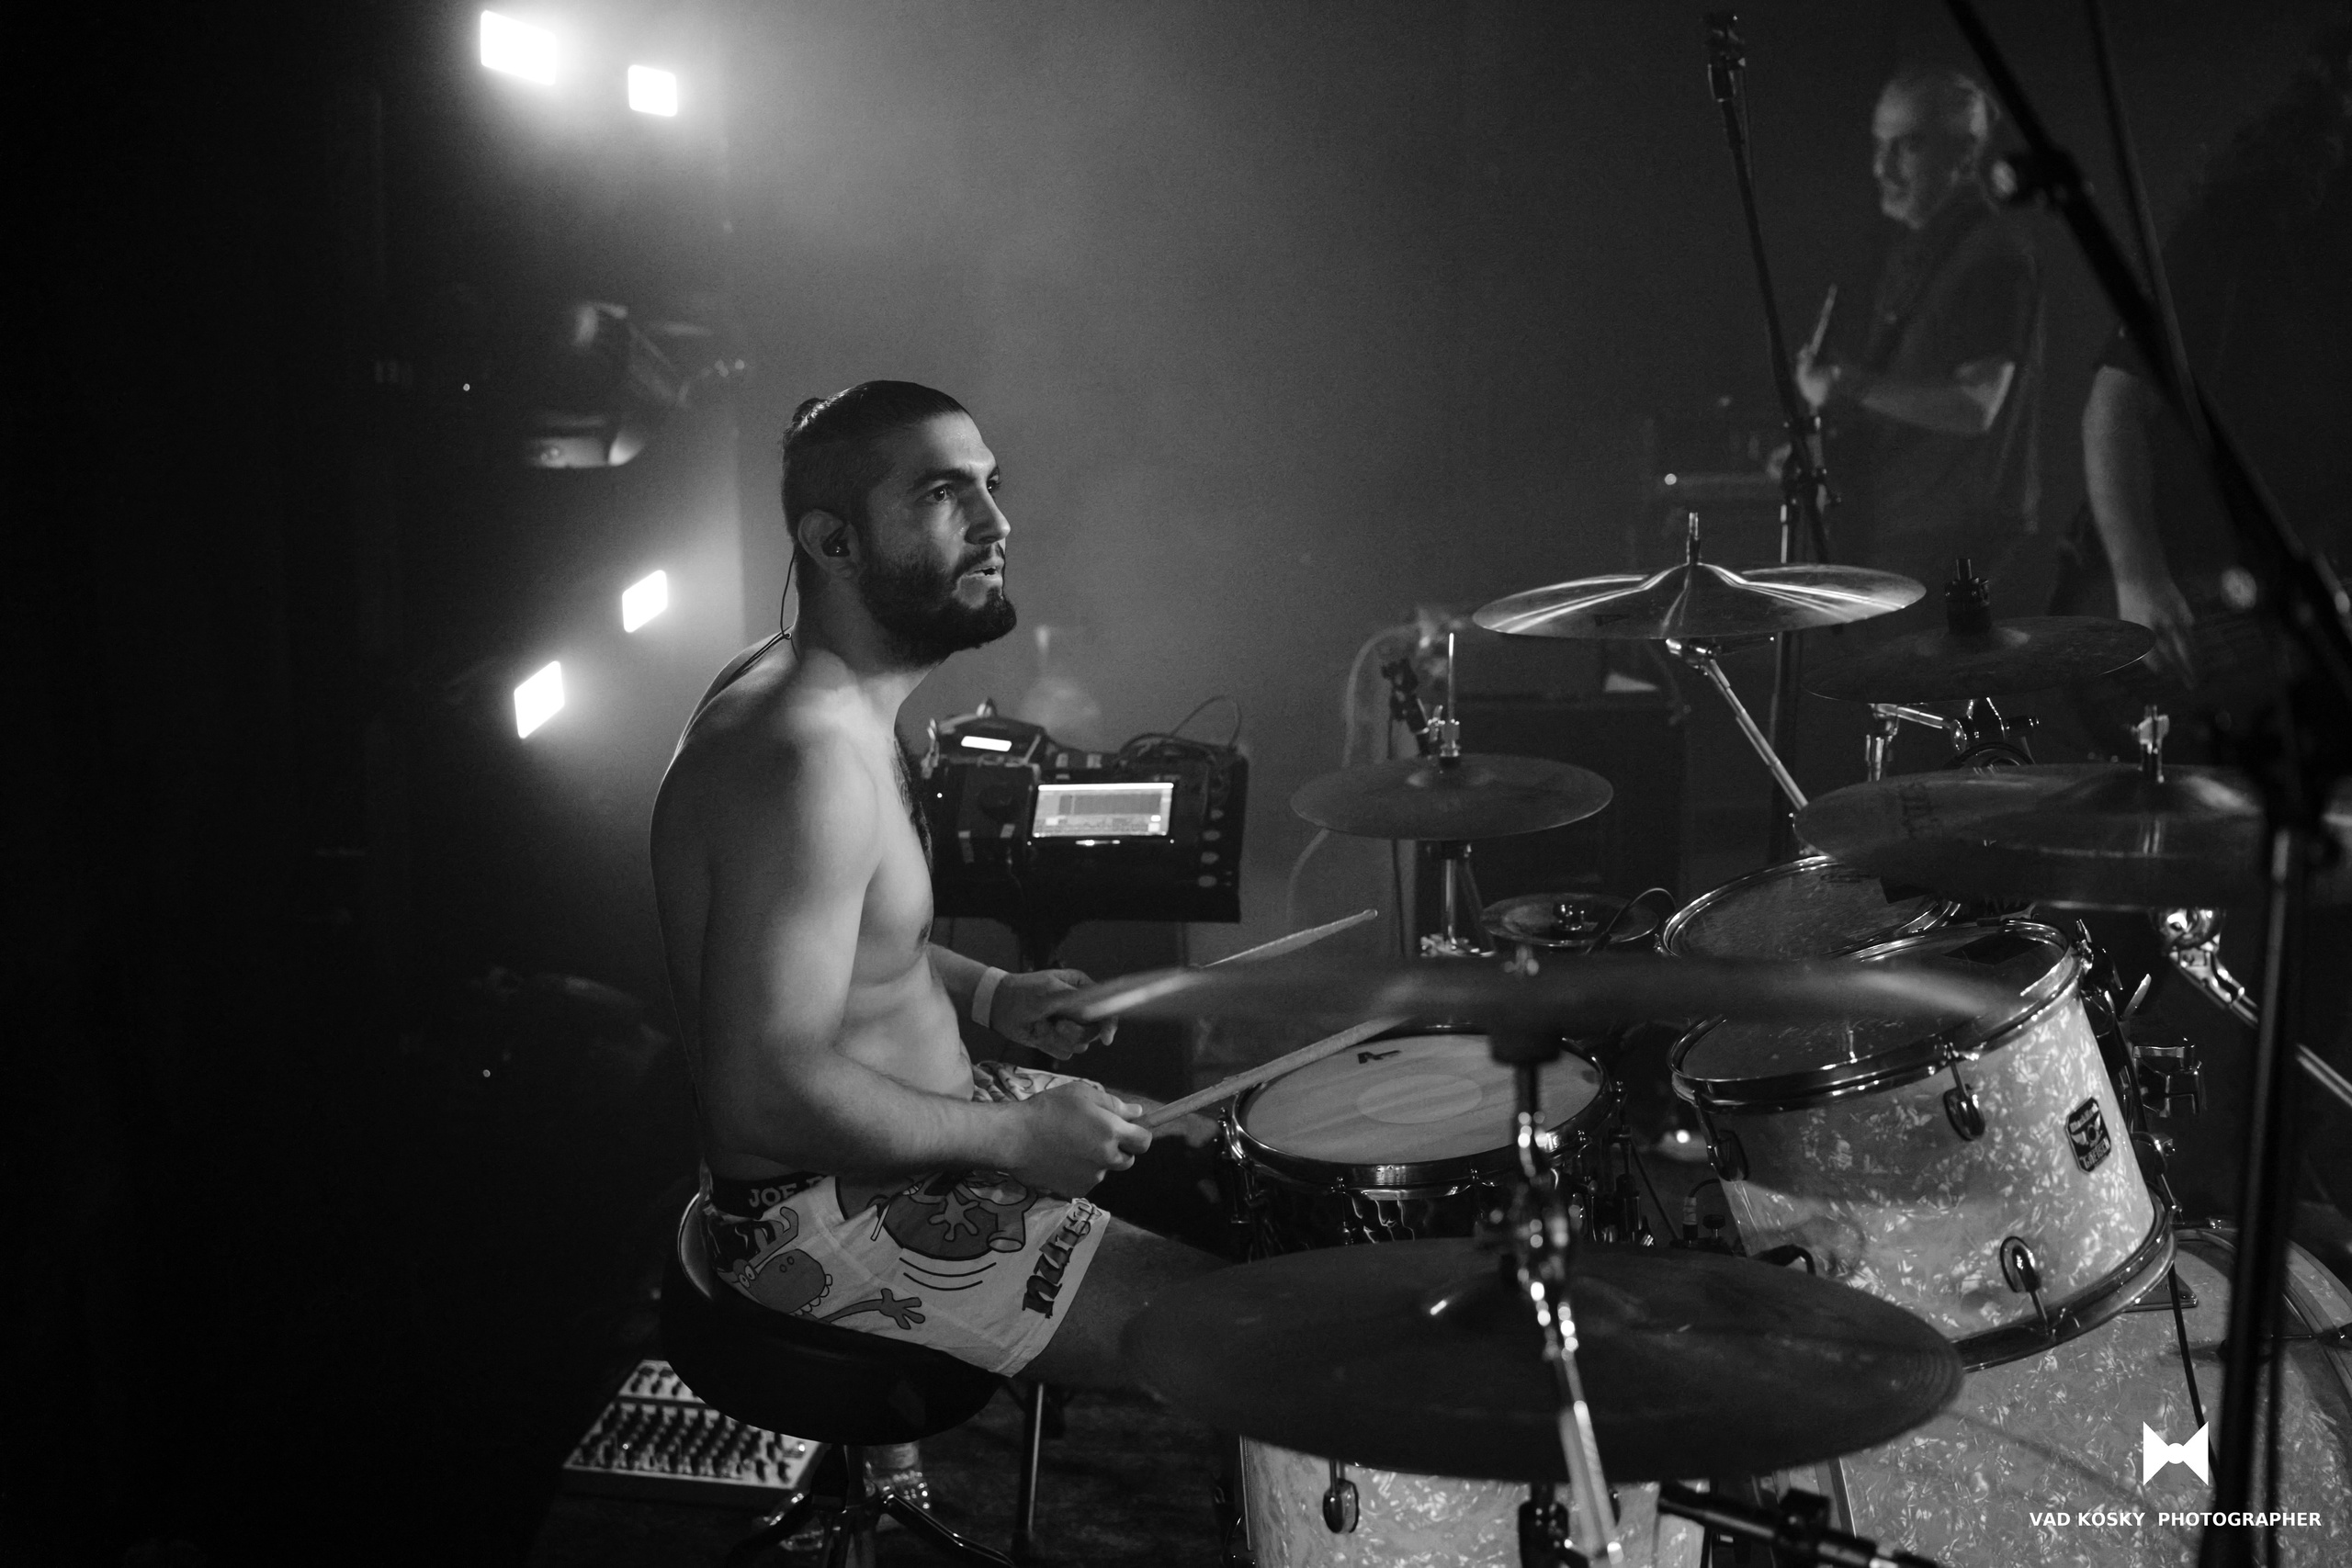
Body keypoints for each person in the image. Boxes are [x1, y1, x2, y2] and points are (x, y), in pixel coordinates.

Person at [650, 381, 1220, 1397]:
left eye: (991, 486)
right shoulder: (800, 760)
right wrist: (1015, 1139)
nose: (997, 524)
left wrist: (995, 996)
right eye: (943, 495)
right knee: (1261, 1329)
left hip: (925, 1126)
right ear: (835, 542)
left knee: (1247, 1170)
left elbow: (857, 938)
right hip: (830, 1220)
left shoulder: (822, 686)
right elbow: (758, 1095)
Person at [2059, 22, 2351, 750]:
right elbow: (2113, 404)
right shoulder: (2247, 224)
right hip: (2194, 611)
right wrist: (2141, 579)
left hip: (2306, 625)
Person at [1797, 67, 2046, 612]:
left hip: (1954, 548)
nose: (1880, 167)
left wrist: (1846, 386)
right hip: (1904, 535)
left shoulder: (1992, 254)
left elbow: (1975, 406)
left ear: (1965, 154)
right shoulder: (1918, 251)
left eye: (1907, 146)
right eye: (1878, 145)